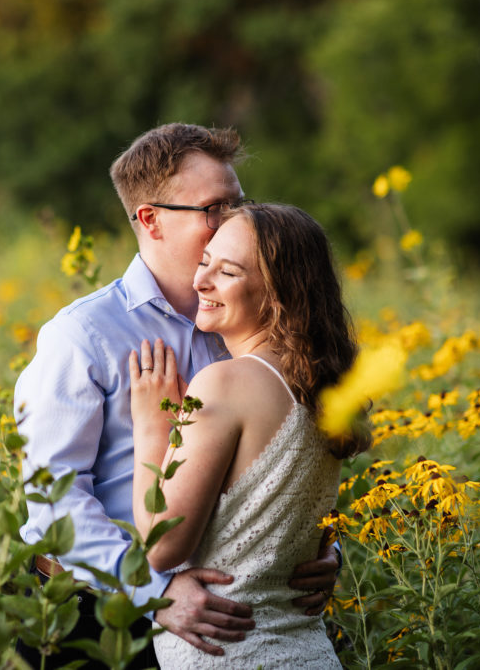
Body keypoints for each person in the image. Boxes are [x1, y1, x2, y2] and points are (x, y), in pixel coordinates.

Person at [15, 124, 340, 667]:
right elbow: (53, 504)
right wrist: (155, 590)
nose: (234, 222)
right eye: (214, 208)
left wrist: (321, 547)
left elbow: (284, 460)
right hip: (94, 619)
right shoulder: (83, 336)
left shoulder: (257, 319)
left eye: (239, 203)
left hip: (233, 620)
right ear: (150, 220)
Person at [129, 203, 370, 668]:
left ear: (277, 292)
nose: (201, 282)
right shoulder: (323, 388)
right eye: (205, 263)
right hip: (308, 652)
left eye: (228, 272)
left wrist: (151, 426)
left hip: (230, 653)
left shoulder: (226, 383)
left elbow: (161, 547)